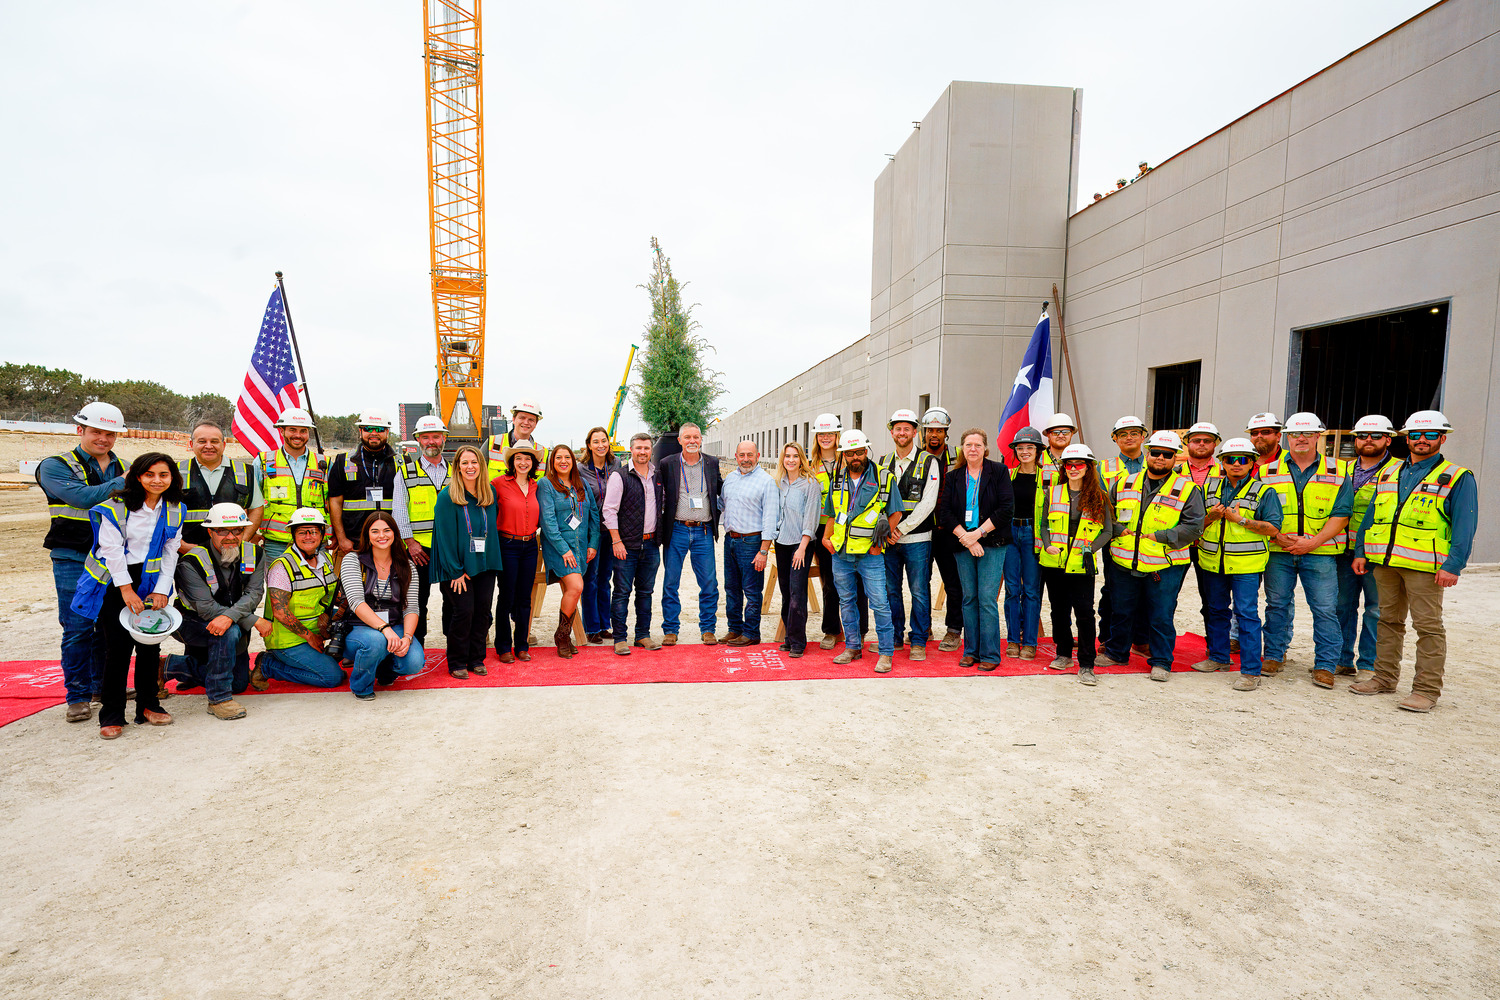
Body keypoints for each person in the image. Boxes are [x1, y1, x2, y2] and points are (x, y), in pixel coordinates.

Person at [1352, 410, 1478, 713]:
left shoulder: (1457, 477)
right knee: (1388, 621)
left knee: (1428, 627)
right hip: (1385, 562)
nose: (1422, 440)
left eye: (1430, 435)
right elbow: (1371, 515)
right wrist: (1360, 551)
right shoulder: (1389, 473)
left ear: (1441, 438)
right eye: (1416, 435)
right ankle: (1384, 677)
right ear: (1406, 438)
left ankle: (1426, 690)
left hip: (1425, 567)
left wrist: (1453, 565)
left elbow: (1465, 525)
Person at [70, 452, 185, 739]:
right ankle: (112, 714)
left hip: (152, 579)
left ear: (172, 478)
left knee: (150, 644)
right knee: (118, 649)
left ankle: (148, 705)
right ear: (137, 476)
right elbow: (111, 551)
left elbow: (171, 550)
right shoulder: (116, 507)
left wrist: (161, 589)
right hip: (116, 580)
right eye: (149, 474)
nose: (157, 480)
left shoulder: (175, 508)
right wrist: (126, 589)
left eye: (164, 474)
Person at [36, 401, 127, 722]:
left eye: (110, 434)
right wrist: (125, 481)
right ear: (80, 430)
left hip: (112, 558)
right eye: (96, 432)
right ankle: (77, 696)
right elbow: (82, 498)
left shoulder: (124, 466)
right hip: (72, 557)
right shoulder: (54, 466)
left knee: (108, 626)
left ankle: (101, 687)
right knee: (77, 627)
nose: (103, 439)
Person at [1097, 431, 1205, 681]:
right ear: (1147, 454)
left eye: (1167, 454)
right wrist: (1118, 530)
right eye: (1155, 452)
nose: (1160, 458)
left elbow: (1194, 527)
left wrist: (1161, 536)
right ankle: (1116, 652)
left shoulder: (1187, 489)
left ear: (1175, 458)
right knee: (1122, 610)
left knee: (1161, 614)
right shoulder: (1124, 483)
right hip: (1124, 560)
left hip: (1164, 564)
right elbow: (1106, 517)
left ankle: (1161, 662)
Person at [1259, 412, 1351, 685]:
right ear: (1286, 437)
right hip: (1279, 552)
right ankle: (1274, 655)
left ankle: (1325, 665)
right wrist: (1278, 538)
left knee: (1325, 609)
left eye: (1307, 433)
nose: (1301, 438)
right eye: (1295, 434)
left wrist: (1312, 542)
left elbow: (1342, 514)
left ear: (1318, 436)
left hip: (1320, 553)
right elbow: (1259, 511)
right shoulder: (1267, 472)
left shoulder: (1338, 470)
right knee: (1276, 605)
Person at [164, 503, 270, 719]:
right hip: (191, 623)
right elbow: (206, 608)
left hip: (232, 624)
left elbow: (254, 594)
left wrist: (231, 617)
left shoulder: (256, 554)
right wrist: (253, 620)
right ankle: (219, 699)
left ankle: (168, 666)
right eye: (222, 531)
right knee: (228, 631)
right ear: (210, 531)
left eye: (237, 530)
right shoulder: (191, 561)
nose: (230, 537)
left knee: (239, 683)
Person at [1193, 438, 1282, 691]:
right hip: (1213, 562)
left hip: (1246, 565)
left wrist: (1240, 520)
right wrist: (1209, 517)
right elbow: (1194, 522)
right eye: (1230, 459)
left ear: (1252, 463)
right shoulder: (1207, 488)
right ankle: (1218, 657)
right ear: (1222, 462)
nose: (1236, 463)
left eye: (1242, 459)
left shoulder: (1265, 492)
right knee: (1215, 610)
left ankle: (1251, 671)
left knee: (1246, 615)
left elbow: (1273, 528)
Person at [824, 430, 904, 672]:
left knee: (879, 603)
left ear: (866, 450)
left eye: (859, 452)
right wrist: (827, 539)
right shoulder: (837, 478)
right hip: (841, 554)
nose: (855, 457)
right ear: (843, 455)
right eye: (850, 453)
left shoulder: (883, 477)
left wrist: (881, 542)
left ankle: (886, 653)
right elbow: (831, 513)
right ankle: (852, 647)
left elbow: (896, 512)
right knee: (846, 601)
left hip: (871, 555)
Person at [938, 429, 1013, 671]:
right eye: (968, 445)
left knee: (987, 599)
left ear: (985, 448)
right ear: (962, 448)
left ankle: (990, 654)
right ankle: (971, 651)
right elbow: (945, 512)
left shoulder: (999, 472)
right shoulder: (953, 476)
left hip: (992, 542)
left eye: (978, 445)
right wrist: (967, 538)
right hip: (963, 543)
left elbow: (1006, 509)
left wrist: (978, 534)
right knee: (968, 598)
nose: (973, 449)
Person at [1037, 443, 1109, 685]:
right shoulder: (1053, 492)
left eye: (1079, 464)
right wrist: (1047, 544)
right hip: (1054, 561)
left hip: (1081, 563)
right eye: (1069, 464)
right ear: (1064, 468)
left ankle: (1087, 664)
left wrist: (1091, 548)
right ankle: (1064, 654)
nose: (1074, 468)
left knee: (1085, 613)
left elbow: (1107, 531)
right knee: (1058, 610)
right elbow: (1044, 525)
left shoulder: (1099, 496)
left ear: (1088, 467)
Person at [1336, 415, 1401, 678]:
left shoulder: (1400, 471)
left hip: (1378, 553)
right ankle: (1341, 660)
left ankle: (1368, 665)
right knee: (1341, 607)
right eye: (1362, 436)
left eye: (1376, 436)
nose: (1368, 440)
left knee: (1376, 610)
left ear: (1388, 439)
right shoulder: (1342, 469)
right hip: (1343, 550)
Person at [431, 445, 503, 679]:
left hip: (484, 564)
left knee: (482, 612)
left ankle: (476, 658)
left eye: (474, 462)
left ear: (481, 465)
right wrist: (455, 571)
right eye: (465, 463)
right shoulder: (447, 497)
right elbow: (443, 538)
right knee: (463, 611)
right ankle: (457, 661)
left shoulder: (489, 494)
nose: (470, 467)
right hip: (457, 567)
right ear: (458, 467)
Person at [252, 508, 345, 690]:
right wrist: (311, 637)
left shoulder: (325, 558)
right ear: (293, 535)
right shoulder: (282, 566)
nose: (308, 536)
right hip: (289, 639)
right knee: (332, 677)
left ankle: (323, 659)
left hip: (315, 626)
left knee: (354, 624)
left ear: (322, 534)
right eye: (302, 532)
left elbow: (329, 593)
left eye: (314, 531)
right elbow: (280, 612)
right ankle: (268, 665)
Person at [340, 511, 425, 700]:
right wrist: (385, 629)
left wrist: (407, 637)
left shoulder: (407, 566)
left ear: (395, 533)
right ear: (367, 535)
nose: (382, 536)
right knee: (376, 641)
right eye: (375, 531)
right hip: (359, 627)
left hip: (394, 624)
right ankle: (361, 687)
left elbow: (411, 608)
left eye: (387, 530)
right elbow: (356, 602)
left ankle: (384, 670)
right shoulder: (353, 560)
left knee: (414, 661)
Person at [879, 409, 942, 661]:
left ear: (915, 432)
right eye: (898, 428)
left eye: (907, 428)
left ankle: (918, 640)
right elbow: (877, 500)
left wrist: (900, 529)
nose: (902, 433)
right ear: (891, 432)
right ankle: (895, 637)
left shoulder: (929, 462)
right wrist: (886, 531)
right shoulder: (883, 462)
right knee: (890, 591)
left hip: (918, 540)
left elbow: (928, 503)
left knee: (919, 591)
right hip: (888, 542)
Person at [658, 422, 723, 645]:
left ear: (701, 439)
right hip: (676, 530)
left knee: (709, 583)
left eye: (696, 437)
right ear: (679, 440)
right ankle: (670, 629)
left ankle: (708, 629)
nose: (692, 441)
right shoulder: (667, 463)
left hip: (703, 531)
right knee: (670, 582)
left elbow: (722, 490)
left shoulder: (712, 463)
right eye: (687, 437)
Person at [809, 414, 867, 649]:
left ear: (837, 436)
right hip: (822, 529)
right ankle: (832, 630)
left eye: (830, 434)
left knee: (857, 579)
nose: (826, 438)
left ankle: (860, 630)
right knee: (829, 581)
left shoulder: (849, 460)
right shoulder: (810, 465)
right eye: (821, 434)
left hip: (849, 528)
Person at [603, 433, 664, 654]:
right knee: (621, 592)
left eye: (646, 448)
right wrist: (616, 541)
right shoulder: (619, 476)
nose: (643, 452)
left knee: (646, 592)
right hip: (625, 545)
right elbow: (609, 511)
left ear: (651, 450)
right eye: (639, 448)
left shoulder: (657, 475)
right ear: (631, 450)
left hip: (651, 544)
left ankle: (643, 635)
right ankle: (620, 638)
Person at [394, 414, 451, 645]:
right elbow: (399, 510)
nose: (431, 442)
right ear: (418, 440)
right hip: (418, 550)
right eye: (425, 437)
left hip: (449, 549)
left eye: (436, 436)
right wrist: (410, 542)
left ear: (444, 438)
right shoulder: (405, 472)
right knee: (417, 600)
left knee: (453, 599)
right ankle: (416, 645)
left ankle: (454, 644)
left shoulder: (456, 472)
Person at [538, 444, 599, 659]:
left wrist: (593, 543)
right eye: (558, 458)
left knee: (574, 589)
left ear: (573, 461)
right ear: (552, 461)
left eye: (567, 457)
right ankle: (562, 636)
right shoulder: (546, 484)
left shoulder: (581, 483)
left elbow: (593, 514)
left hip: (581, 548)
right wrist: (564, 550)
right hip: (558, 548)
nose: (563, 461)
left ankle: (565, 636)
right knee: (576, 586)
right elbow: (548, 521)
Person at [247, 407, 329, 566]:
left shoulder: (324, 463)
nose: (298, 435)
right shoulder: (264, 462)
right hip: (276, 543)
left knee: (318, 580)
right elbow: (250, 501)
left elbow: (332, 502)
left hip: (315, 539)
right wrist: (251, 534)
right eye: (292, 430)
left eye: (303, 431)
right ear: (282, 431)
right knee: (278, 581)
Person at [1097, 416, 1150, 654]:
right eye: (1123, 434)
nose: (1129, 437)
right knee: (1113, 590)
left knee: (1147, 590)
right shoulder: (1103, 468)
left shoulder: (1156, 462)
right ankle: (1108, 638)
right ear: (1115, 439)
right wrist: (1116, 528)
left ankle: (1141, 638)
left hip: (1149, 540)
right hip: (1116, 538)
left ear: (1143, 436)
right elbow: (1099, 504)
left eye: (1134, 433)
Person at [720, 440, 780, 646]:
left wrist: (763, 551)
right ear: (736, 456)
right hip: (730, 540)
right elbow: (722, 505)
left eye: (750, 455)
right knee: (731, 588)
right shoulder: (730, 479)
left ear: (758, 456)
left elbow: (770, 519)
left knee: (752, 590)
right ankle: (734, 629)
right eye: (742, 455)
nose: (746, 459)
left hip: (752, 542)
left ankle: (752, 632)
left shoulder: (766, 482)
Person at [492, 442, 542, 663]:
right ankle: (503, 646)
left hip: (530, 545)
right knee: (506, 596)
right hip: (507, 545)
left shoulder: (536, 486)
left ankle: (522, 645)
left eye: (528, 458)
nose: (523, 462)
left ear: (533, 462)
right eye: (519, 458)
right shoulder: (497, 484)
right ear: (512, 461)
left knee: (524, 597)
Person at [920, 407, 964, 652]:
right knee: (920, 582)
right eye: (930, 430)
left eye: (939, 430)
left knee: (953, 582)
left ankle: (954, 630)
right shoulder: (918, 458)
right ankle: (923, 628)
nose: (934, 435)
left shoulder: (958, 457)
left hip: (950, 531)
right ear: (924, 432)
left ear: (946, 432)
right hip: (922, 531)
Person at [1179, 421, 1225, 649]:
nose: (1201, 444)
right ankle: (1152, 644)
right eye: (1196, 440)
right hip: (1178, 543)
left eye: (1207, 440)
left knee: (1212, 600)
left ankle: (1215, 647)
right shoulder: (1174, 471)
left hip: (1211, 544)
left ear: (1216, 444)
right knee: (1164, 598)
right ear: (1187, 443)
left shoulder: (1226, 471)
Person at [177, 420, 259, 546]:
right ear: (191, 444)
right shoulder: (175, 471)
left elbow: (256, 508)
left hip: (232, 549)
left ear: (223, 445)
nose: (209, 446)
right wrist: (182, 546)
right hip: (188, 550)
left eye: (214, 441)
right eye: (202, 441)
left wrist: (242, 541)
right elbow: (165, 513)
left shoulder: (245, 472)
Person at [773, 442, 820, 657]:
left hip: (800, 545)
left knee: (797, 592)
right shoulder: (779, 482)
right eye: (787, 456)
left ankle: (798, 641)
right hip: (781, 543)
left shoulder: (810, 484)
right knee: (785, 591)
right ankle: (789, 638)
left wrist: (802, 548)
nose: (791, 460)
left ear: (802, 459)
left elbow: (811, 518)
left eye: (795, 456)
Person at [327, 410, 398, 554]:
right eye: (368, 429)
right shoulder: (342, 462)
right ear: (360, 432)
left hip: (390, 543)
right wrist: (341, 538)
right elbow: (335, 502)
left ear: (387, 432)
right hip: (353, 544)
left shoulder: (401, 463)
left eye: (379, 429)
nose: (374, 433)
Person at [1004, 427, 1045, 659]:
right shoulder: (1008, 475)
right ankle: (1012, 639)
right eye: (1020, 448)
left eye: (1030, 447)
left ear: (1038, 451)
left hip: (1033, 534)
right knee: (1012, 589)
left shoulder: (1048, 478)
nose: (1025, 451)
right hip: (1010, 534)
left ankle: (1029, 642)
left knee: (1031, 590)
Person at [578, 427, 618, 643]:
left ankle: (604, 625)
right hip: (590, 532)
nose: (601, 445)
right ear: (589, 445)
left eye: (604, 441)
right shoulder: (581, 469)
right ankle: (592, 627)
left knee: (605, 579)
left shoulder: (616, 464)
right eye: (596, 441)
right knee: (590, 579)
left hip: (611, 530)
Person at [484, 400, 548, 479]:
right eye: (522, 418)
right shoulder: (492, 443)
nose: (526, 422)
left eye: (531, 420)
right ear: (513, 419)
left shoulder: (543, 453)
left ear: (535, 424)